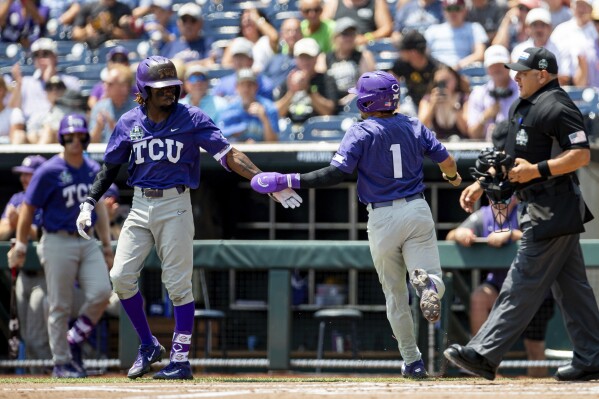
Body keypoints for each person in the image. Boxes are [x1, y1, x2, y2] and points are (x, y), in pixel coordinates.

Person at [74, 55, 302, 380]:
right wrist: (88, 201)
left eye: (172, 85)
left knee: (178, 287)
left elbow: (228, 154)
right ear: (144, 90)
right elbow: (110, 168)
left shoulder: (191, 117)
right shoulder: (128, 122)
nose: (169, 91)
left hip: (176, 204)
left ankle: (180, 359)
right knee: (121, 277)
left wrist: (263, 180)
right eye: (162, 87)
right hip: (139, 205)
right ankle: (148, 345)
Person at [250, 70, 462, 378]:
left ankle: (412, 361)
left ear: (366, 101)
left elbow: (336, 174)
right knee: (431, 276)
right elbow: (449, 162)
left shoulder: (361, 130)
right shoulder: (415, 124)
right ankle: (428, 285)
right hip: (417, 209)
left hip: (382, 217)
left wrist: (288, 179)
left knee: (394, 295)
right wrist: (453, 178)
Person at [444, 47, 599, 382]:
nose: (515, 76)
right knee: (573, 290)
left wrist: (538, 170)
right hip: (537, 205)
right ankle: (592, 356)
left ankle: (484, 353)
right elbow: (510, 161)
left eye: (522, 72)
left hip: (553, 208)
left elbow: (581, 155)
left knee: (522, 281)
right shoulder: (520, 105)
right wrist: (483, 185)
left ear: (542, 74)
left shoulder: (558, 105)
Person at [7, 114, 114, 378]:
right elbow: (28, 209)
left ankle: (75, 337)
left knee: (102, 292)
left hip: (86, 239)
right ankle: (62, 361)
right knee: (59, 305)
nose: (75, 141)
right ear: (62, 138)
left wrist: (107, 245)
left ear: (87, 138)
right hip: (57, 239)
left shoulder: (91, 168)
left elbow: (98, 205)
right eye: (69, 136)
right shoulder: (48, 170)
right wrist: (21, 244)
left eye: (80, 136)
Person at [447, 197, 556, 377]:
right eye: (493, 192)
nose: (498, 197)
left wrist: (512, 234)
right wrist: (460, 234)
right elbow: (452, 234)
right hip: (499, 284)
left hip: (533, 288)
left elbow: (543, 234)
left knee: (534, 348)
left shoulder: (525, 209)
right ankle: (479, 357)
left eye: (504, 192)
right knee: (479, 298)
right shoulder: (483, 215)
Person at [275, 37, 338, 126]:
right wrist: (291, 92)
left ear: (316, 58)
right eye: (302, 57)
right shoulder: (289, 80)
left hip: (317, 130)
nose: (305, 61)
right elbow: (277, 113)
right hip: (291, 130)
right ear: (296, 59)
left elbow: (329, 111)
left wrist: (308, 90)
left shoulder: (326, 80)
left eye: (309, 57)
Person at [320, 17, 376, 113]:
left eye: (352, 34)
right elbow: (321, 84)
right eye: (345, 34)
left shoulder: (364, 56)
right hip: (332, 105)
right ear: (335, 37)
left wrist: (351, 98)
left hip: (357, 106)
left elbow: (369, 86)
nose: (349, 38)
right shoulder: (324, 58)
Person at [465, 45, 519, 140]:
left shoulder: (521, 91)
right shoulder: (478, 94)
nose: (497, 68)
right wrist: (485, 117)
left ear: (509, 65)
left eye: (501, 65)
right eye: (492, 65)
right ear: (487, 69)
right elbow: (473, 134)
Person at [218, 69, 280, 143]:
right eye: (242, 84)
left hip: (263, 153)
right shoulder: (228, 110)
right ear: (236, 87)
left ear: (256, 86)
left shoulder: (269, 108)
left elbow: (273, 143)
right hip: (235, 152)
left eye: (250, 85)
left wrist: (264, 118)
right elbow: (219, 140)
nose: (246, 89)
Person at [424, 0, 487, 70]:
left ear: (465, 10)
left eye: (456, 8)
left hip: (464, 71)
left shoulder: (474, 28)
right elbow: (424, 54)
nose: (453, 13)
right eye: (449, 9)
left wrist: (457, 66)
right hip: (436, 71)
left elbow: (479, 54)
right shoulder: (432, 30)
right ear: (443, 11)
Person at [390, 30, 440, 116]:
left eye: (403, 49)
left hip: (433, 106)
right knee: (404, 113)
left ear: (414, 53)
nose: (400, 52)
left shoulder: (436, 68)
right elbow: (390, 84)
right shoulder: (402, 63)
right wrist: (395, 107)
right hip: (412, 103)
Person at [418, 64, 469, 141]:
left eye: (447, 80)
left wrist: (453, 105)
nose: (444, 85)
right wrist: (432, 105)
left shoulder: (464, 98)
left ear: (456, 79)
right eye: (439, 82)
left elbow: (466, 130)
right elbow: (420, 128)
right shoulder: (428, 99)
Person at [89, 64, 138, 143]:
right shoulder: (99, 107)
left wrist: (116, 128)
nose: (104, 86)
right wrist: (98, 128)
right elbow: (91, 144)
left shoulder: (138, 110)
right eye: (104, 82)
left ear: (124, 87)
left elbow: (140, 141)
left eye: (110, 84)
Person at [321, 0, 394, 46]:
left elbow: (386, 28)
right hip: (339, 48)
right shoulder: (334, 2)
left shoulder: (376, 2)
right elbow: (322, 25)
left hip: (366, 47)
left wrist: (366, 38)